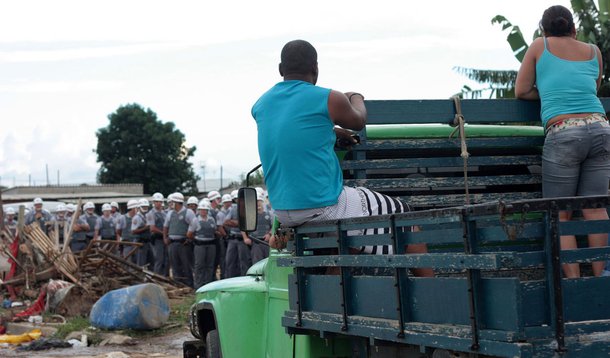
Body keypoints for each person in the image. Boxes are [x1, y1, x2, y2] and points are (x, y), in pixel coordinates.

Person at [251, 39, 433, 277]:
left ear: (280, 69)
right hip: (322, 205)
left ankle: (334, 293)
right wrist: (355, 96)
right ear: (315, 69)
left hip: (284, 212)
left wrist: (330, 132)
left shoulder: (261, 105)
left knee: (349, 234)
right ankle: (438, 302)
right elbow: (358, 120)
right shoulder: (330, 98)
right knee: (406, 221)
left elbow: (293, 134)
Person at [516, 5, 610, 278]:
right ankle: (602, 280)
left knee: (560, 213)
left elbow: (521, 90)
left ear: (543, 29)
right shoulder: (594, 51)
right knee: (594, 209)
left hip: (564, 131)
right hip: (601, 128)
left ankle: (575, 284)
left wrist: (546, 93)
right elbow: (591, 88)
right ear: (574, 28)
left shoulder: (538, 46)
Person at [163, 192, 198, 287]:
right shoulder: (170, 213)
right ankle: (178, 284)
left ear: (177, 202)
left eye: (172, 202)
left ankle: (189, 284)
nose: (170, 204)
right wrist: (165, 238)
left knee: (186, 265)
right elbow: (165, 226)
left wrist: (189, 236)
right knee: (175, 265)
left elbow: (194, 224)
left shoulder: (188, 212)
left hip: (183, 243)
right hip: (172, 243)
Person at [224, 190, 252, 277]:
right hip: (233, 239)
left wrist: (236, 223)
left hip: (243, 239)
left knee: (244, 262)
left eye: (239, 199)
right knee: (230, 261)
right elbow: (226, 222)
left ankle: (245, 280)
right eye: (236, 199)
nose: (238, 201)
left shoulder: (249, 208)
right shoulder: (232, 209)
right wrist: (241, 223)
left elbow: (250, 223)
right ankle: (230, 280)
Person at [193, 201, 219, 288]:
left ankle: (208, 284)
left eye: (205, 210)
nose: (204, 212)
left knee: (210, 265)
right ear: (199, 210)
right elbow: (189, 233)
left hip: (211, 244)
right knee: (199, 265)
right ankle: (198, 284)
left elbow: (214, 230)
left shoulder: (211, 220)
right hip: (200, 245)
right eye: (202, 210)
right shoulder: (195, 220)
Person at [245, 192, 272, 265]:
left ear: (262, 201)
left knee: (268, 263)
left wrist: (269, 234)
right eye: (256, 201)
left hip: (267, 243)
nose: (257, 203)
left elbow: (274, 226)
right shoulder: (250, 215)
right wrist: (246, 238)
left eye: (259, 201)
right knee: (257, 263)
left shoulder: (269, 214)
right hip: (255, 242)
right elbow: (244, 227)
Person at [147, 192, 168, 276]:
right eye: (156, 201)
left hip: (164, 238)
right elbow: (152, 228)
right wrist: (164, 233)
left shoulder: (164, 213)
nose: (158, 203)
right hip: (157, 239)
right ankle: (156, 278)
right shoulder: (151, 213)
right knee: (159, 260)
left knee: (166, 260)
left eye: (159, 201)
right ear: (153, 202)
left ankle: (165, 277)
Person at [132, 198, 154, 268]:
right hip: (140, 243)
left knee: (151, 261)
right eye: (143, 206)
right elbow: (133, 231)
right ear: (139, 207)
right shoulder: (136, 218)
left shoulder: (148, 216)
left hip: (148, 242)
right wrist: (145, 228)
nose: (145, 208)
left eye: (146, 206)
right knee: (141, 263)